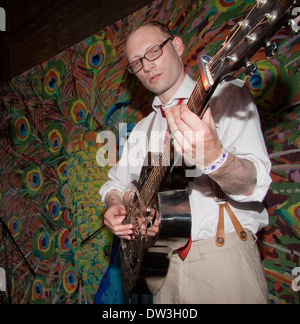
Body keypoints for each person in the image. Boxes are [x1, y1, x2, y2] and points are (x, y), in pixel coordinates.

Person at [100, 21, 272, 304]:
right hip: (161, 274)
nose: (147, 66)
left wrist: (215, 159)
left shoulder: (226, 96)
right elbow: (113, 184)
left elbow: (255, 182)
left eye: (153, 51)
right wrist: (116, 205)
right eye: (136, 62)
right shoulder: (143, 130)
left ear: (177, 46)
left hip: (221, 261)